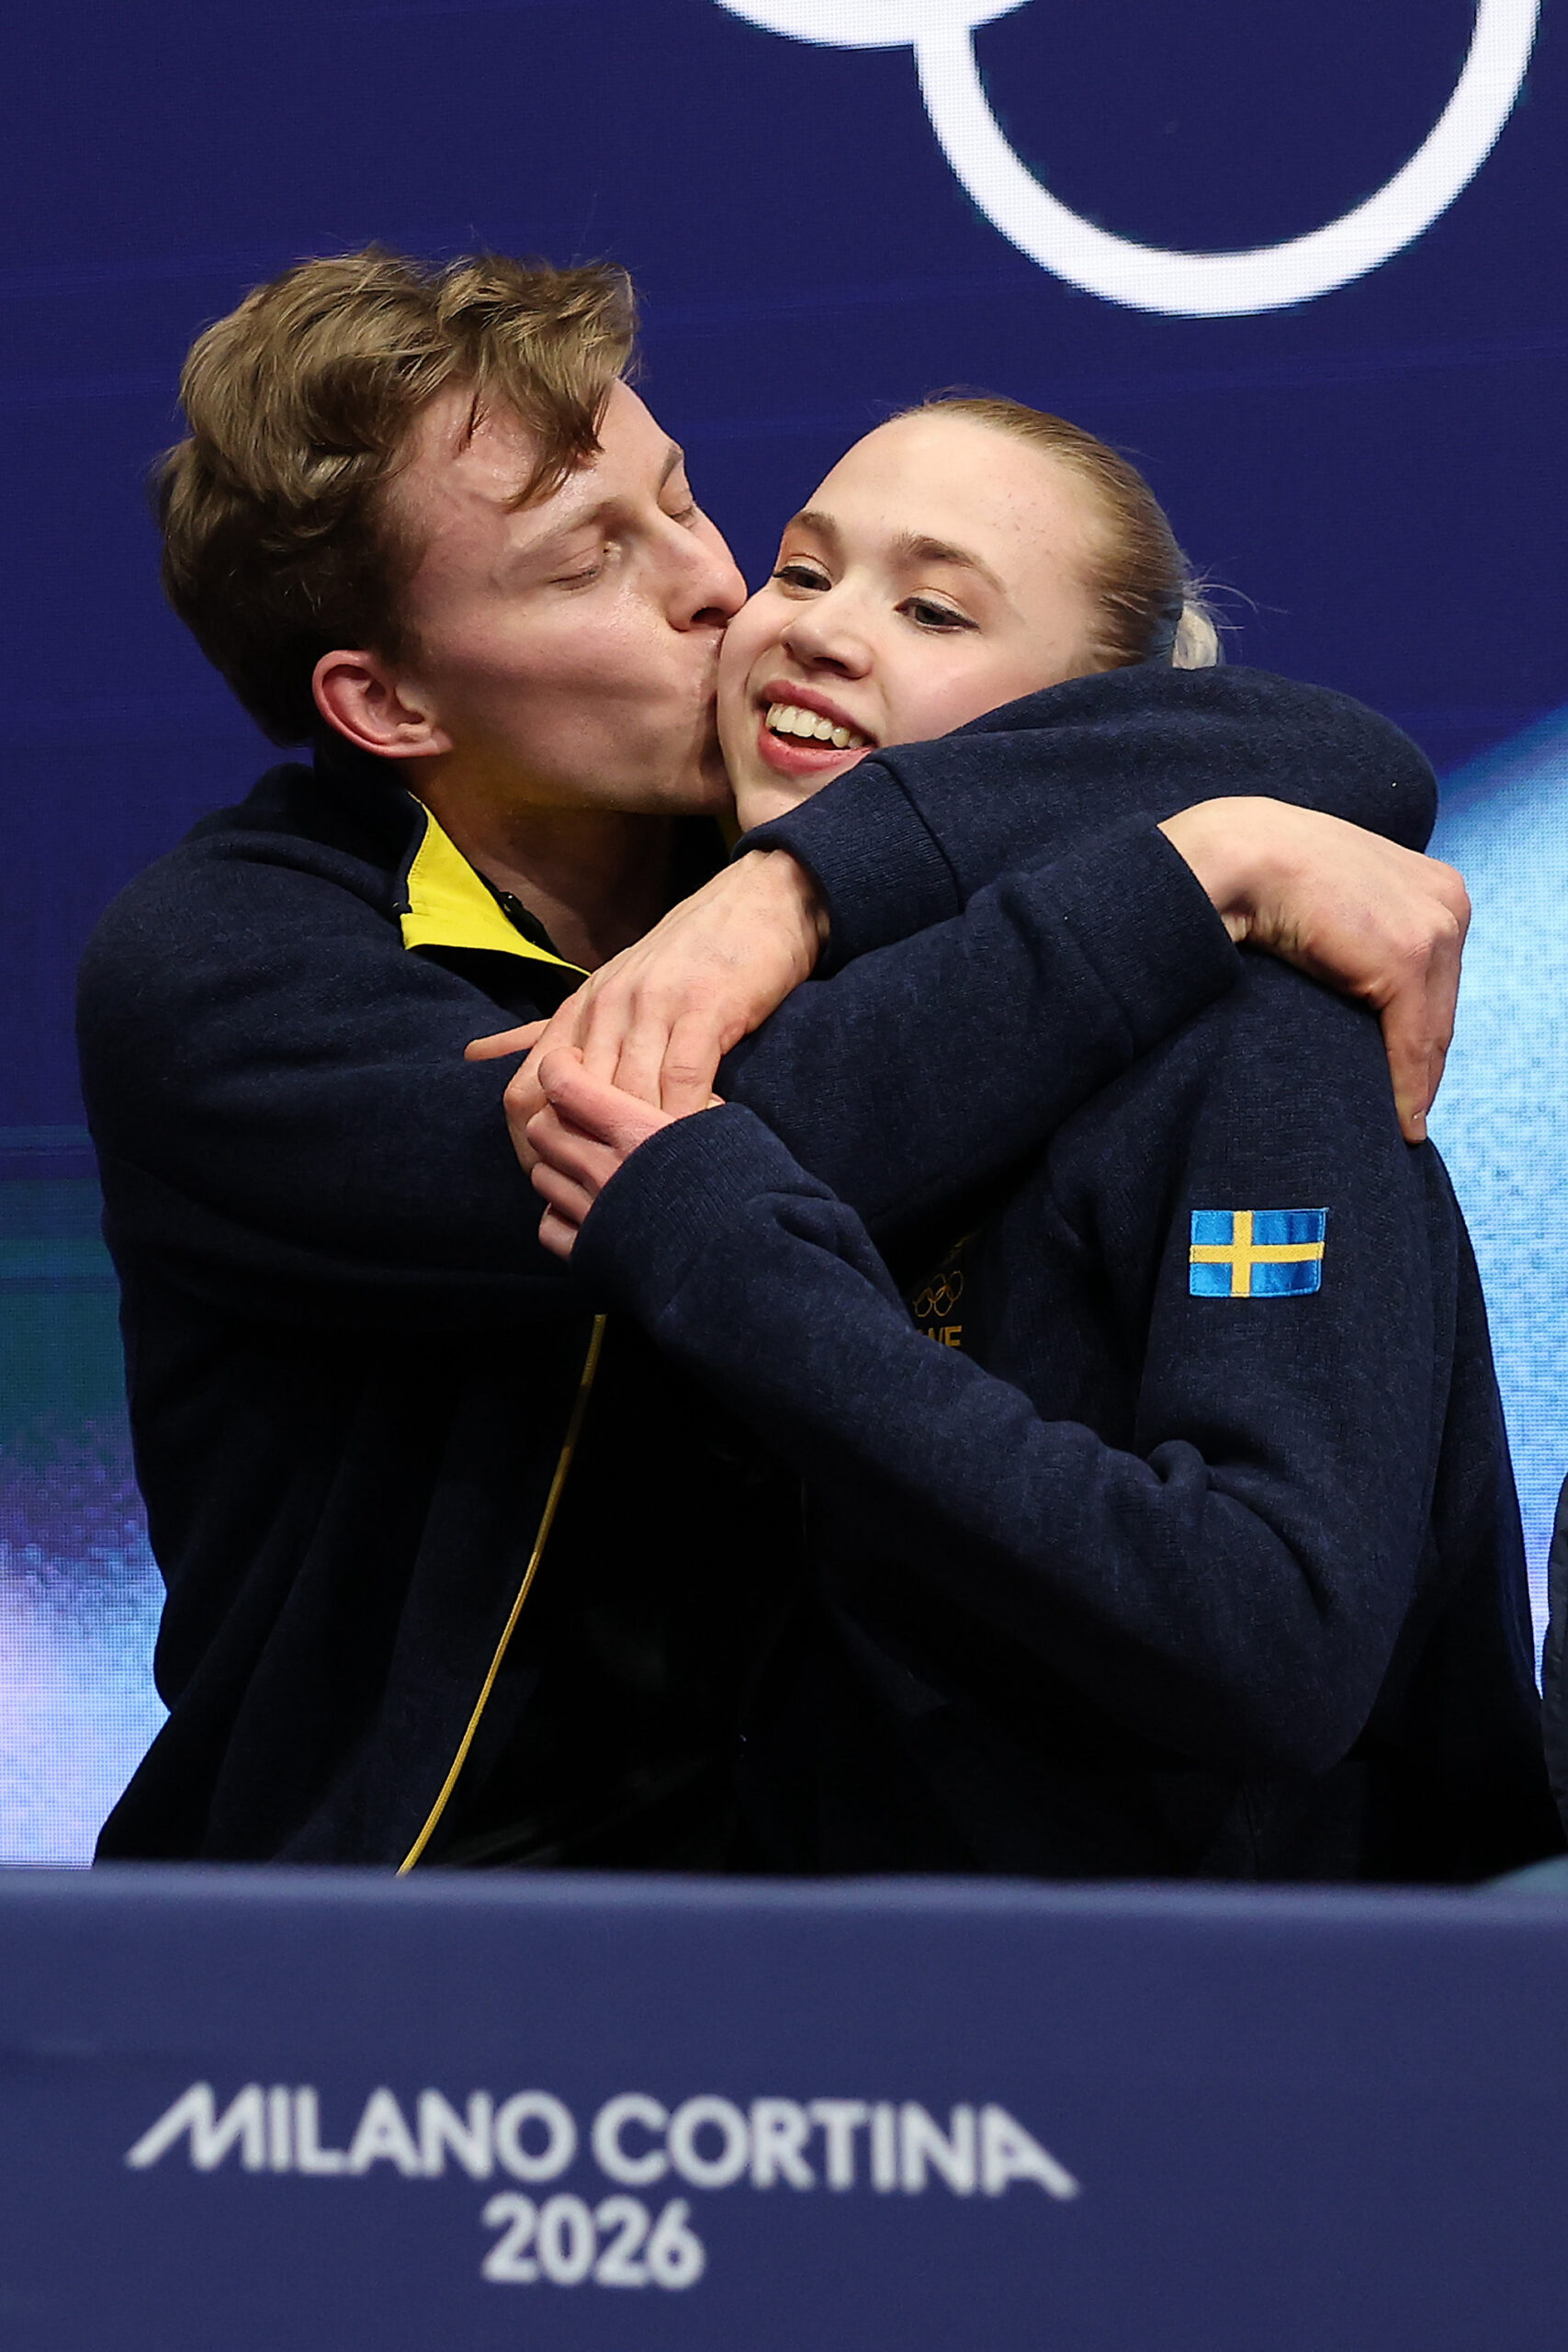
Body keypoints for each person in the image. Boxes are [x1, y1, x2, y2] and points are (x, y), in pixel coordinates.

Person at [81, 246, 1471, 1871]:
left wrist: (801, 885)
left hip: (850, 1954)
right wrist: (1186, 867)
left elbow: (1339, 753)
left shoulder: (804, 849)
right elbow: (706, 1147)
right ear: (384, 701)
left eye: (682, 500)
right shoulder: (229, 972)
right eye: (590, 560)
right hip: (392, 1955)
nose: (721, 593)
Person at [523, 396, 1560, 1883]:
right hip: (839, 2046)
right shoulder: (708, 1013)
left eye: (934, 609)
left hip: (1243, 2058)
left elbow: (1270, 1636)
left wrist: (740, 1270)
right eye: (802, 572)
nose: (819, 630)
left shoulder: (1263, 1042)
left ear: (1103, 729)